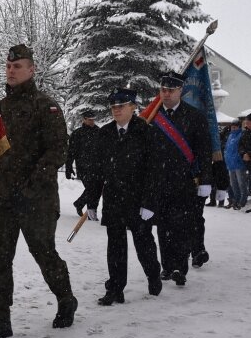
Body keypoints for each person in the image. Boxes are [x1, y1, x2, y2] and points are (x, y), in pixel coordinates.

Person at [0, 44, 77, 338]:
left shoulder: (45, 106)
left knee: (43, 253)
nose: (11, 71)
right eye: (8, 66)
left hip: (37, 199)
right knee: (0, 258)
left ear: (31, 69)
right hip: (4, 198)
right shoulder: (0, 109)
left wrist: (34, 183)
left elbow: (57, 149)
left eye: (17, 66)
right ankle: (0, 318)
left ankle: (65, 299)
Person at [85, 88, 162, 305]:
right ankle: (116, 288)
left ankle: (153, 274)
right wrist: (92, 201)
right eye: (113, 107)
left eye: (121, 106)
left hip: (138, 199)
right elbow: (97, 170)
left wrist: (149, 203)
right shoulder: (105, 133)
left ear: (133, 107)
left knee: (143, 242)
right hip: (114, 198)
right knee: (115, 246)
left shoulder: (146, 132)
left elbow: (153, 170)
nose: (116, 110)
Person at [147, 71, 213, 286]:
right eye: (163, 90)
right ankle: (167, 266)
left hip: (184, 182)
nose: (166, 94)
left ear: (180, 91)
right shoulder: (152, 117)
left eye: (170, 90)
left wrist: (205, 180)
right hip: (158, 182)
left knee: (181, 226)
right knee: (163, 226)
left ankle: (179, 267)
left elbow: (204, 151)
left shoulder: (195, 117)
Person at [66, 109, 102, 218]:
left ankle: (82, 205)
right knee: (92, 189)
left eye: (93, 120)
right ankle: (90, 212)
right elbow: (71, 152)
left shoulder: (99, 132)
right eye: (89, 120)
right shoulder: (77, 134)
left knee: (97, 189)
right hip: (83, 167)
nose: (92, 122)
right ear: (84, 119)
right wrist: (68, 167)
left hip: (98, 167)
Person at [224, 119, 247, 210]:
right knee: (233, 184)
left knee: (241, 184)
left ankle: (242, 201)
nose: (233, 127)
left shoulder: (241, 135)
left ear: (239, 126)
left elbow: (242, 149)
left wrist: (238, 158)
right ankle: (236, 200)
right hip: (230, 164)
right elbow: (227, 149)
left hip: (239, 164)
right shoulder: (230, 136)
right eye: (232, 126)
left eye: (235, 126)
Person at [240, 113, 251, 212]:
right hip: (248, 164)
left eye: (248, 122)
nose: (246, 124)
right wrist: (243, 153)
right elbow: (240, 146)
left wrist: (249, 154)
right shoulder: (245, 133)